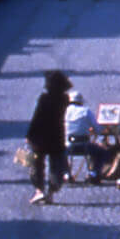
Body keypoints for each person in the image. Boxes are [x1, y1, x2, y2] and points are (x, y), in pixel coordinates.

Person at [27, 71, 72, 206]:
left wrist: (29, 135)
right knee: (56, 166)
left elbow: (37, 117)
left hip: (40, 136)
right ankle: (51, 192)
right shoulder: (65, 99)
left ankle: (39, 190)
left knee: (37, 164)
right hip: (57, 135)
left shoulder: (44, 99)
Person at [64, 88, 96, 182]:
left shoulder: (64, 112)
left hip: (69, 146)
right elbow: (97, 128)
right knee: (98, 150)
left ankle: (66, 174)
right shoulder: (86, 111)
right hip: (85, 145)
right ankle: (92, 173)